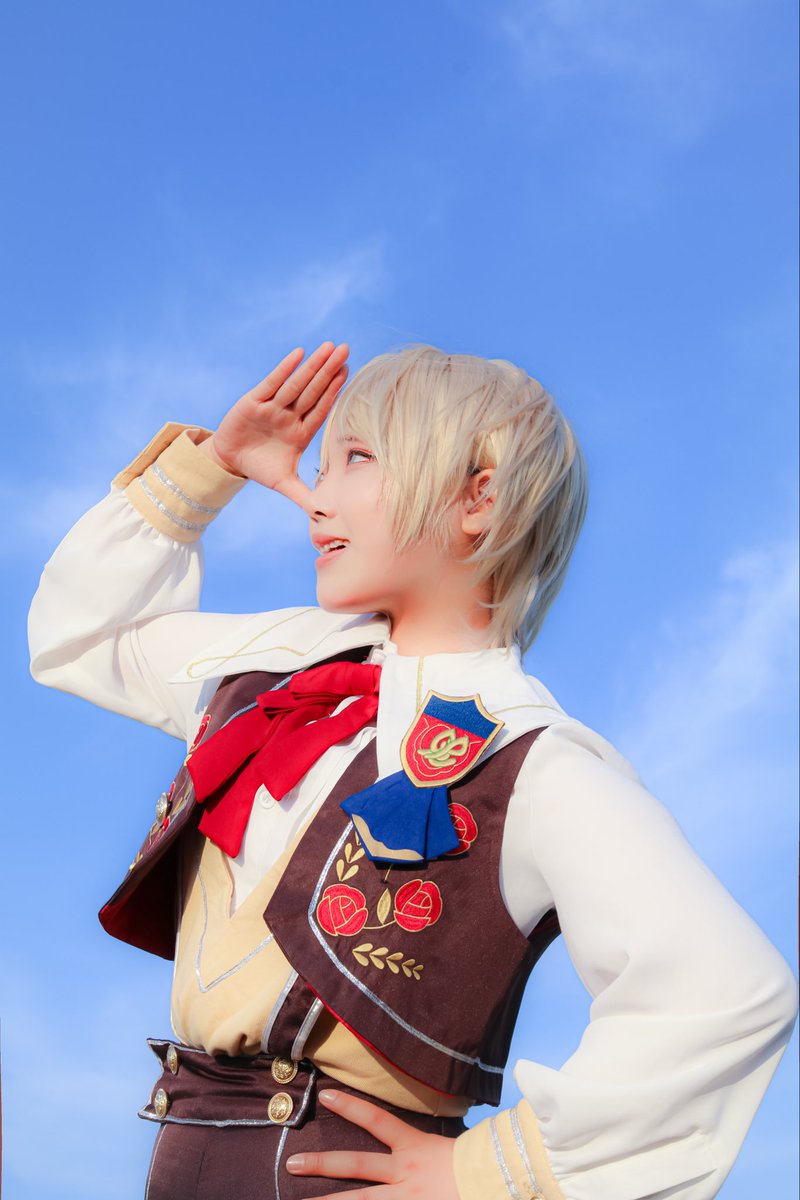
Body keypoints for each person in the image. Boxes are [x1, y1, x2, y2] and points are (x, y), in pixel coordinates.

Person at [28, 341, 797, 1200]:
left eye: (357, 458)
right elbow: (82, 636)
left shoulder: (530, 760)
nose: (317, 496)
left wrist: (497, 1170)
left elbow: (729, 991)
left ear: (478, 498)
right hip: (180, 1159)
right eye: (321, 466)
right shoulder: (264, 672)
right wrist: (213, 468)